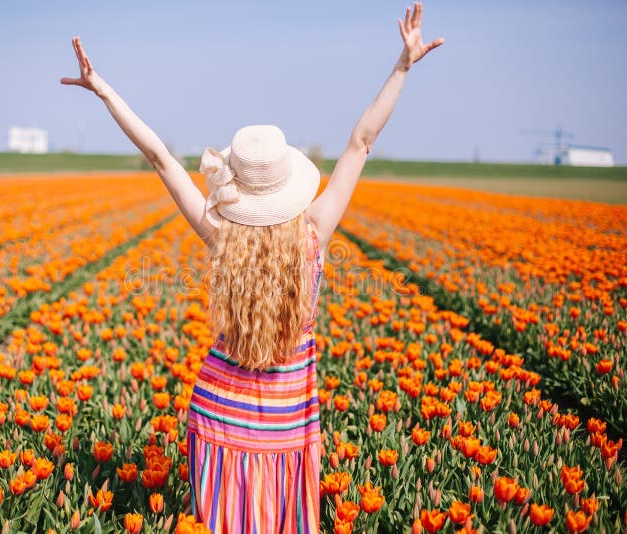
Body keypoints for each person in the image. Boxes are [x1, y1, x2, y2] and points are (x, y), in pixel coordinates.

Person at [61, 3, 443, 532]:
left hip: (217, 423)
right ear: (289, 183)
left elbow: (159, 158)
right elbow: (362, 142)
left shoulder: (221, 239)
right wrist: (402, 66)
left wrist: (102, 88)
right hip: (288, 433)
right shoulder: (315, 237)